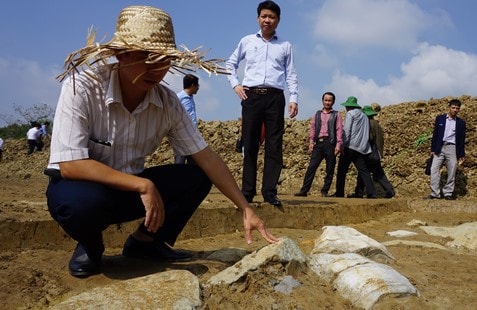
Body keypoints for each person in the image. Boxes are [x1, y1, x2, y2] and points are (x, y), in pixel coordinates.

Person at [45, 5, 277, 278]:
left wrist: (245, 208)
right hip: (84, 189)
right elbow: (71, 164)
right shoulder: (83, 87)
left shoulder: (167, 102)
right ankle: (91, 244)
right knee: (79, 205)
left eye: (163, 59)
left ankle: (146, 242)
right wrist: (142, 184)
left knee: (197, 176)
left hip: (130, 191)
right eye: (145, 57)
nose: (156, 68)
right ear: (121, 55)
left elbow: (207, 157)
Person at [226, 0, 298, 207]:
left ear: (278, 20)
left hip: (275, 97)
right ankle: (247, 191)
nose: (268, 20)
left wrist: (293, 98)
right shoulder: (247, 41)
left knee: (274, 146)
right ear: (258, 18)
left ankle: (269, 192)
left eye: (272, 17)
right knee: (249, 143)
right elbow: (230, 64)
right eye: (264, 16)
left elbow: (291, 73)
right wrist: (235, 85)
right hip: (252, 96)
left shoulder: (285, 45)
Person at [294, 92, 343, 197]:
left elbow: (339, 130)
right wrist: (311, 142)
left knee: (330, 169)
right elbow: (313, 128)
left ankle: (324, 191)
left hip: (330, 143)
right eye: (326, 100)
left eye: (329, 100)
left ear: (333, 102)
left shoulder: (336, 114)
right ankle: (304, 190)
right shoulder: (317, 114)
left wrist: (338, 145)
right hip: (318, 144)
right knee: (312, 167)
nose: (327, 102)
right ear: (322, 101)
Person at [333, 96, 376, 198]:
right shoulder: (365, 116)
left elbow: (347, 131)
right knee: (364, 171)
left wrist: (342, 144)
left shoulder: (350, 114)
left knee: (342, 170)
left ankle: (339, 193)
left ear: (348, 106)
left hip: (350, 146)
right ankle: (372, 193)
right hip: (361, 148)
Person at [349, 105, 395, 198]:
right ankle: (359, 192)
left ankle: (388, 191)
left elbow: (369, 138)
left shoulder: (368, 123)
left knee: (368, 172)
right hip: (376, 151)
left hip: (369, 151)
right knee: (372, 172)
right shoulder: (376, 124)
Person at [428, 99, 466, 200]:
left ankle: (448, 193)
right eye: (453, 108)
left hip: (452, 147)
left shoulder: (461, 123)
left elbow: (462, 139)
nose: (455, 110)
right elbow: (435, 134)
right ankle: (435, 193)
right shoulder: (440, 119)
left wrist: (461, 154)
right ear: (449, 107)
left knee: (452, 169)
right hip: (439, 147)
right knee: (434, 169)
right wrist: (432, 149)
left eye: (457, 108)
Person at [174, 74, 200, 164]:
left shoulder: (191, 98)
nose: (198, 88)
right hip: (181, 136)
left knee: (193, 163)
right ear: (193, 85)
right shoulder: (178, 98)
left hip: (192, 135)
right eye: (197, 85)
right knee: (180, 161)